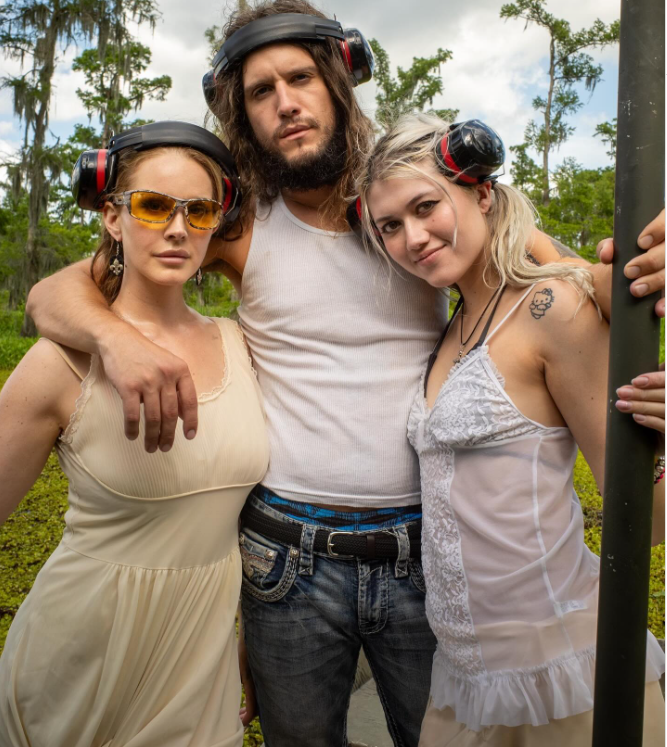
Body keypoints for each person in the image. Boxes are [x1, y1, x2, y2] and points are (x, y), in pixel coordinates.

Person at [25, 2, 666, 744]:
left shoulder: (415, 209)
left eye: (299, 77)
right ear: (242, 113)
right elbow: (54, 293)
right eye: (259, 92)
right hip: (285, 558)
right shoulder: (240, 224)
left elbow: (567, 283)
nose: (284, 104)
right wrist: (116, 340)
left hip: (425, 554)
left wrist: (646, 274)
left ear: (340, 79)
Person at [357, 112, 665, 746]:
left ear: (480, 192)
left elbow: (646, 517)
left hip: (564, 674)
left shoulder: (555, 309)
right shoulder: (452, 322)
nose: (413, 237)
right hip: (463, 682)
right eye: (391, 225)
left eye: (425, 207)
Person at [0, 122, 269, 746]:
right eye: (153, 206)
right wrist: (112, 338)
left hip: (199, 658)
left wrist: (252, 636)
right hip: (82, 656)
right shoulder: (61, 361)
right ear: (113, 218)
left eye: (198, 211)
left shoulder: (244, 345)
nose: (178, 229)